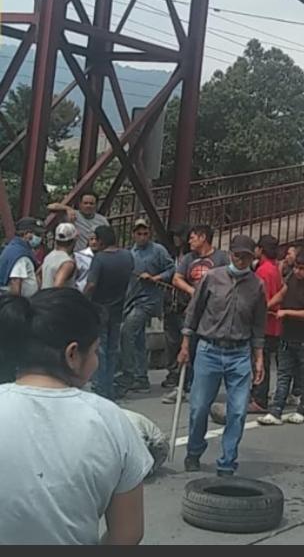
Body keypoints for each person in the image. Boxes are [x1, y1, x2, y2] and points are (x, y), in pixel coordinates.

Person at [0, 288, 151, 544]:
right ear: (72, 354)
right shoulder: (111, 420)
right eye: (94, 352)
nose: (96, 361)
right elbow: (127, 534)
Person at [179, 234, 267, 476]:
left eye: (247, 257)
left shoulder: (257, 286)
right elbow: (193, 312)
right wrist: (186, 344)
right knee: (198, 408)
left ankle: (227, 461)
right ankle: (194, 451)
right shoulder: (211, 278)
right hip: (208, 349)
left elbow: (259, 325)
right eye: (238, 256)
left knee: (237, 412)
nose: (241, 261)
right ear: (230, 255)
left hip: (239, 353)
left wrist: (258, 358)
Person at [161, 224, 229, 404]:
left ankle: (204, 387)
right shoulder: (189, 258)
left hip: (214, 314)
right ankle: (183, 386)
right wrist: (193, 292)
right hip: (191, 311)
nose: (189, 241)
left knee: (208, 351)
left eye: (193, 237)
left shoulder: (221, 258)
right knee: (187, 348)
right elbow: (177, 278)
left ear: (203, 237)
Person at [258, 251, 304, 426]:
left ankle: (301, 410)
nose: (297, 271)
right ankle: (276, 411)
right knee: (283, 373)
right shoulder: (292, 279)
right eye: (296, 267)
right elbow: (281, 294)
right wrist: (267, 306)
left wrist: (286, 312)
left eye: (302, 268)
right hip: (287, 335)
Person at [115, 219, 175, 397]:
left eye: (145, 233)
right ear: (133, 234)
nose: (142, 236)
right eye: (138, 233)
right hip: (131, 298)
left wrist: (157, 277)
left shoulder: (158, 250)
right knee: (139, 339)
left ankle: (129, 374)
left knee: (127, 332)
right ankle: (141, 377)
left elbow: (171, 269)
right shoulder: (129, 252)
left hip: (148, 300)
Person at [84, 225, 134, 400]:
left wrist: (84, 299)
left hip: (100, 308)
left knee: (100, 349)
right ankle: (109, 387)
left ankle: (101, 387)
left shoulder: (99, 259)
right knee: (112, 349)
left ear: (101, 240)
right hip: (118, 307)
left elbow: (91, 284)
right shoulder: (127, 256)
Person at [251, 234, 283, 413]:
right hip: (273, 324)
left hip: (264, 323)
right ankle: (260, 395)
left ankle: (259, 398)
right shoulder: (274, 269)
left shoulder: (263, 271)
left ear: (261, 250)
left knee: (259, 361)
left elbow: (261, 299)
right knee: (266, 361)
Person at [160, 223, 190, 389]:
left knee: (183, 340)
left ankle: (184, 377)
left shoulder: (190, 257)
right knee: (171, 341)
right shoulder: (172, 254)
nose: (176, 239)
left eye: (179, 236)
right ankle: (173, 372)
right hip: (170, 301)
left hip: (183, 302)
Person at [0, 217, 44, 297]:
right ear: (26, 234)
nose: (40, 237)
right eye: (37, 234)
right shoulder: (20, 255)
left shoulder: (14, 247)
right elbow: (15, 281)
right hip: (17, 303)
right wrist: (17, 306)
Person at [41, 222, 78, 289]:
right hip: (57, 298)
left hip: (43, 297)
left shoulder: (49, 256)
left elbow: (38, 275)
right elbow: (57, 287)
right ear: (74, 240)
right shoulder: (67, 263)